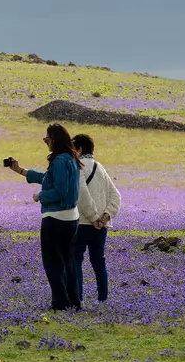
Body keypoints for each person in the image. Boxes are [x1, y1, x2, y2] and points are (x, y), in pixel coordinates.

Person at [7, 124, 82, 311]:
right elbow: (49, 178)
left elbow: (60, 190)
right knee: (68, 261)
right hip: (71, 218)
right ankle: (74, 302)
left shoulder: (59, 160)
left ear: (55, 140)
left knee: (53, 262)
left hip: (55, 218)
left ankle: (60, 303)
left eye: (47, 139)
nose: (46, 142)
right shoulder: (71, 158)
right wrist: (21, 171)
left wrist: (40, 196)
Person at [71, 133, 122, 305]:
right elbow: (116, 196)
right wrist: (105, 216)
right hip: (101, 226)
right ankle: (103, 299)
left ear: (79, 149)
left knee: (76, 259)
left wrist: (94, 218)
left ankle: (78, 299)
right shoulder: (100, 168)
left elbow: (82, 195)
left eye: (73, 148)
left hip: (84, 223)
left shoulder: (78, 167)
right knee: (98, 261)